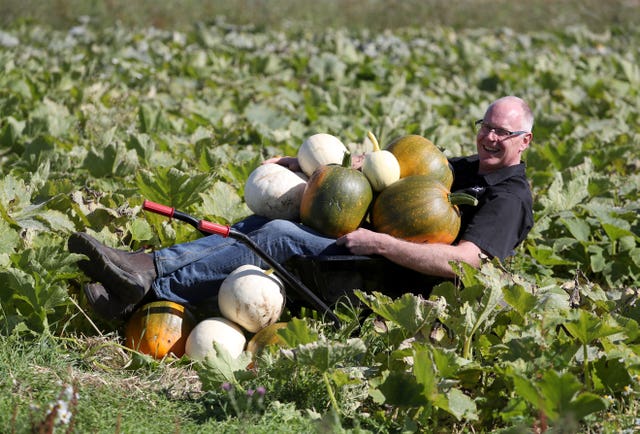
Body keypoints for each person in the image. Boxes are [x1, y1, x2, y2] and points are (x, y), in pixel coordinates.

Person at [69, 95, 534, 321]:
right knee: (265, 221)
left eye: (503, 133)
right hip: (369, 249)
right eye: (486, 126)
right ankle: (146, 271)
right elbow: (380, 173)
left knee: (276, 239)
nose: (490, 138)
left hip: (393, 283)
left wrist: (381, 242)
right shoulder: (466, 169)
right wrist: (305, 166)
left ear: (524, 142)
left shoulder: (507, 198)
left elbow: (464, 264)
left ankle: (149, 287)